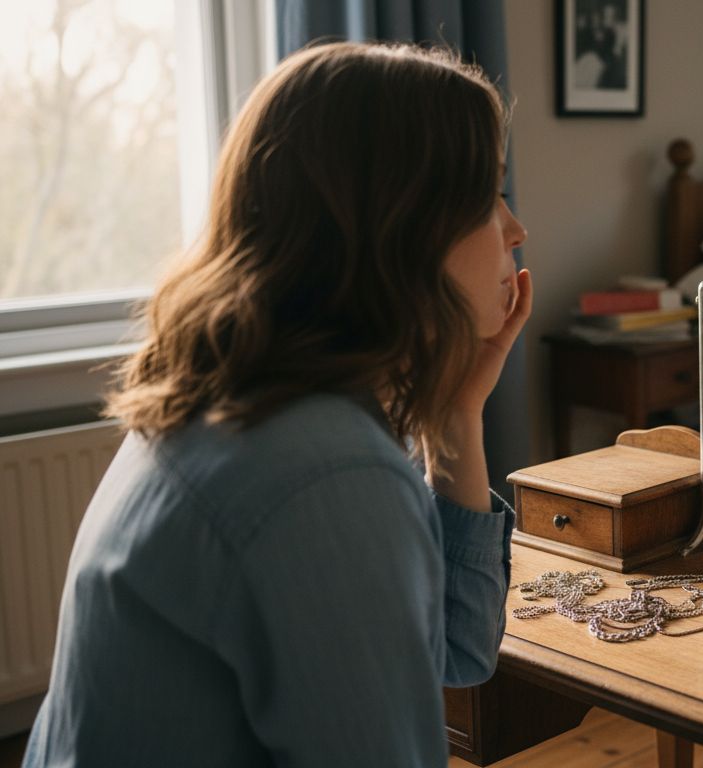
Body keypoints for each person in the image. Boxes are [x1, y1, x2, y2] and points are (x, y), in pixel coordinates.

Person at [22, 42, 530, 767]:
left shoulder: (252, 403)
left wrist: (456, 412)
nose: (516, 231)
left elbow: (456, 653)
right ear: (403, 225)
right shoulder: (325, 474)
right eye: (487, 197)